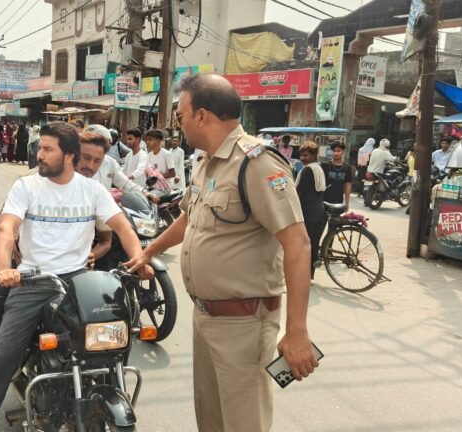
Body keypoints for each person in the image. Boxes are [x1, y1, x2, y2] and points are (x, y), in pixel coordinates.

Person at [125, 73, 318, 432]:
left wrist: (297, 331)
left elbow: (298, 243)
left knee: (244, 424)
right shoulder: (207, 163)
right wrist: (148, 251)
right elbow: (188, 217)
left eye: (181, 114)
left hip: (244, 323)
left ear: (202, 115)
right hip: (206, 317)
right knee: (211, 421)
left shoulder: (257, 163)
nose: (178, 124)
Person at [0, 121, 152, 432]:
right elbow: (6, 228)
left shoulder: (91, 190)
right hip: (32, 281)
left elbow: (122, 227)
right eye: (41, 147)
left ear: (68, 155)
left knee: (114, 339)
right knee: (1, 361)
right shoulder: (27, 187)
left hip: (78, 281)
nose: (40, 154)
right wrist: (3, 269)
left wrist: (139, 259)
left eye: (48, 149)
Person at [296, 142, 327, 278]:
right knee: (313, 244)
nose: (303, 158)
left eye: (306, 155)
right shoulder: (318, 168)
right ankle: (309, 274)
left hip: (307, 213)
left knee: (304, 245)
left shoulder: (308, 170)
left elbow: (299, 192)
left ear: (314, 155)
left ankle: (302, 275)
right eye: (301, 155)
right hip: (318, 211)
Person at [321, 141, 353, 209]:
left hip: (338, 202)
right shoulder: (325, 166)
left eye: (338, 151)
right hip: (324, 201)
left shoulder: (347, 168)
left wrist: (347, 203)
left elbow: (348, 186)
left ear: (343, 152)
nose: (336, 153)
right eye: (334, 151)